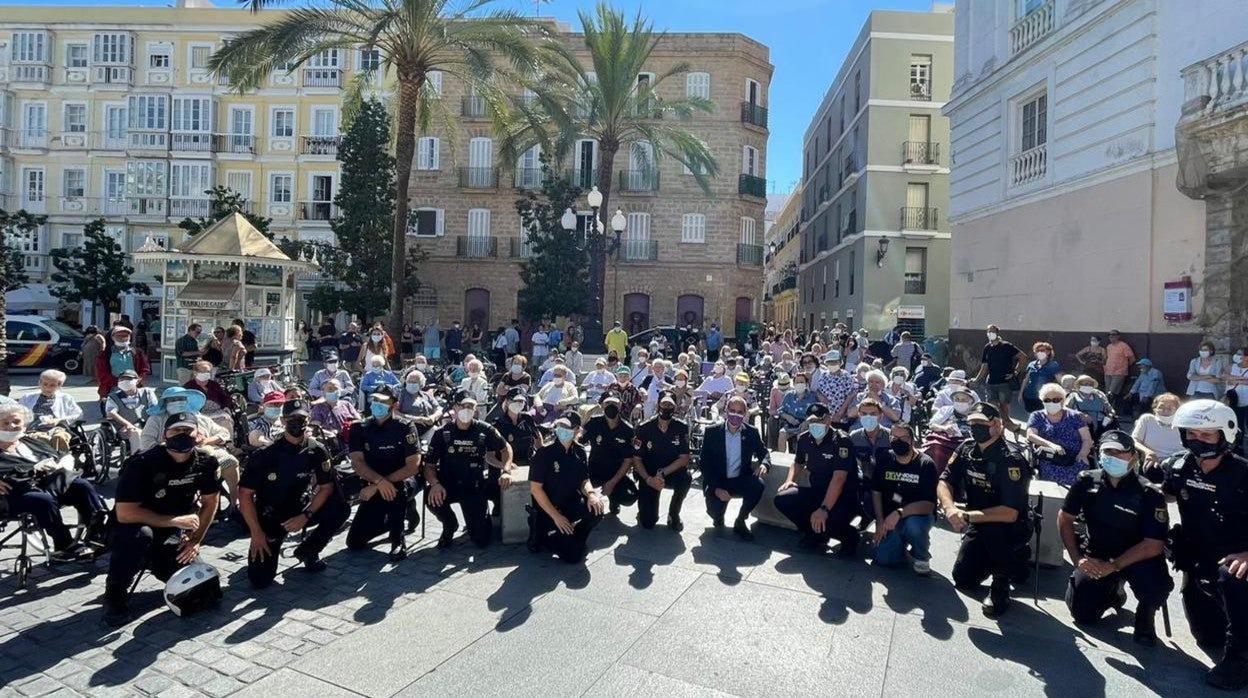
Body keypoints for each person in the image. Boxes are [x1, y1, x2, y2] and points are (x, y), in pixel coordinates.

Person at [1144, 400, 1248, 689]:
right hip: (1197, 554)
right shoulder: (1179, 466)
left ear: (1225, 434)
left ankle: (1240, 659)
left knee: (1234, 577)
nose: (1198, 440)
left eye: (1207, 434)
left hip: (1237, 557)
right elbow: (1165, 494)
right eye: (1192, 434)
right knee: (1207, 636)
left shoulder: (1243, 474)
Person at [102, 413, 223, 627]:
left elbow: (211, 502)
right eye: (176, 431)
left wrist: (195, 540)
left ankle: (159, 561)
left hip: (172, 532)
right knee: (139, 537)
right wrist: (175, 521)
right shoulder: (142, 463)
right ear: (165, 435)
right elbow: (125, 513)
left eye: (188, 431)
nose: (182, 435)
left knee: (199, 588)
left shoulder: (206, 461)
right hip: (132, 530)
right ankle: (115, 594)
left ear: (199, 434)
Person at [1058, 430, 1172, 646]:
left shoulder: (1149, 494)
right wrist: (1077, 559)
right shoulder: (1086, 481)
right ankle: (1113, 591)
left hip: (1138, 557)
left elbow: (1153, 545)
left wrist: (1115, 566)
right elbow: (1064, 518)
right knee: (1083, 615)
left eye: (1119, 453)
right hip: (1097, 552)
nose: (1112, 457)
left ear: (1133, 457)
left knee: (1155, 585)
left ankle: (1145, 615)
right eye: (1106, 451)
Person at [238, 399, 350, 587]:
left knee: (340, 508)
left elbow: (326, 487)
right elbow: (244, 494)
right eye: (292, 418)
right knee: (259, 580)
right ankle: (267, 548)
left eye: (302, 418)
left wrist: (306, 516)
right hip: (271, 516)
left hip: (301, 508)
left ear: (308, 420)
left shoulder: (316, 450)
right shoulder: (265, 455)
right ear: (283, 420)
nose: (297, 423)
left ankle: (309, 549)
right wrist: (256, 533)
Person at [937, 402, 1033, 617]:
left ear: (997, 425)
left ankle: (1001, 584)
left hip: (1008, 526)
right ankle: (1012, 561)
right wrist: (949, 507)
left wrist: (967, 516)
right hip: (977, 521)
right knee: (963, 578)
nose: (975, 428)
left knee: (994, 534)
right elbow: (945, 481)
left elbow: (1010, 512)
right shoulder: (966, 449)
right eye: (972, 423)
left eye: (981, 423)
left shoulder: (1011, 460)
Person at [0, 402, 107, 562]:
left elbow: (58, 456)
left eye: (16, 422)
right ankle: (64, 544)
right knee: (42, 500)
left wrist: (57, 464)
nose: (11, 426)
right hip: (14, 494)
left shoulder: (29, 441)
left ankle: (98, 534)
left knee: (81, 486)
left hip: (47, 484)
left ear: (24, 423)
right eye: (5, 423)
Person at [344, 386, 424, 561]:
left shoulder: (405, 427)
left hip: (402, 480)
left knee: (396, 492)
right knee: (354, 542)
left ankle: (398, 540)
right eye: (376, 400)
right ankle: (394, 519)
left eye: (383, 401)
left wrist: (381, 483)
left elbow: (413, 466)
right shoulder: (360, 427)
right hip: (374, 482)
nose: (377, 404)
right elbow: (357, 462)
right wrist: (378, 483)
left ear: (394, 405)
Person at [425, 390, 513, 549]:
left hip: (474, 486)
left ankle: (477, 521)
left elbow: (506, 448)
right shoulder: (442, 433)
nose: (467, 409)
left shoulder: (485, 429)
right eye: (463, 405)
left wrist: (506, 470)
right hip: (448, 485)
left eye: (471, 406)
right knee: (430, 497)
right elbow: (429, 465)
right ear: (455, 408)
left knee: (482, 540)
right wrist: (434, 484)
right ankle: (449, 524)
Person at [774, 403, 860, 554]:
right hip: (818, 490)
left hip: (843, 496)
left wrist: (823, 509)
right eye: (811, 422)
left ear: (828, 419)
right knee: (783, 499)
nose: (815, 425)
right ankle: (815, 533)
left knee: (831, 519)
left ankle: (849, 536)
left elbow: (839, 478)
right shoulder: (804, 439)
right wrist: (790, 480)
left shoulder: (841, 441)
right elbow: (798, 463)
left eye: (819, 421)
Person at [528, 415, 606, 562]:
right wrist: (556, 517)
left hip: (570, 503)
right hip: (549, 509)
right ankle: (544, 538)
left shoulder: (580, 452)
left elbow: (584, 478)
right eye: (560, 426)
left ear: (576, 430)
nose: (562, 430)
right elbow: (536, 489)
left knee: (597, 509)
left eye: (567, 427)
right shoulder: (544, 453)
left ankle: (575, 537)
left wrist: (591, 494)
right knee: (574, 556)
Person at [699, 396, 770, 540]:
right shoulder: (712, 432)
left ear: (745, 414)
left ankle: (741, 520)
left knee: (758, 485)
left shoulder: (751, 432)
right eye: (732, 411)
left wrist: (764, 464)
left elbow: (764, 453)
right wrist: (716, 488)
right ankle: (718, 515)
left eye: (740, 412)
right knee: (716, 513)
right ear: (726, 411)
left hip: (739, 479)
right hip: (718, 481)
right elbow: (705, 463)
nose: (735, 415)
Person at [871, 422, 938, 573]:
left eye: (904, 438)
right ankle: (900, 544)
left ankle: (921, 555)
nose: (898, 441)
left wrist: (899, 513)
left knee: (914, 525)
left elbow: (928, 505)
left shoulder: (925, 464)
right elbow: (876, 491)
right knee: (883, 559)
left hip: (917, 515)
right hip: (890, 516)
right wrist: (880, 521)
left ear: (912, 440)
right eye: (894, 437)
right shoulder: (884, 458)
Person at [633, 391, 692, 531]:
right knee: (648, 522)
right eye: (664, 404)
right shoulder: (644, 428)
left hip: (670, 471)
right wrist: (648, 479)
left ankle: (674, 515)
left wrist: (663, 472)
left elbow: (684, 458)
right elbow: (637, 459)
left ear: (675, 408)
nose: (666, 408)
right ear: (658, 405)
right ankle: (644, 510)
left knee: (686, 478)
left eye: (670, 405)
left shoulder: (681, 427)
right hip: (649, 474)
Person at [580, 393, 640, 516]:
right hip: (594, 469)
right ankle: (587, 504)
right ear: (602, 405)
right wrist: (582, 422)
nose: (611, 406)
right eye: (607, 403)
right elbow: (579, 441)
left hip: (615, 472)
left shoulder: (627, 429)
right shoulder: (594, 422)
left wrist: (612, 483)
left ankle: (614, 499)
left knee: (630, 496)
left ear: (620, 405)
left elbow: (628, 460)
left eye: (614, 403)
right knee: (576, 485)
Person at [1026, 383, 1093, 486]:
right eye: (1047, 400)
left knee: (1081, 477)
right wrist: (1051, 445)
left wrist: (1083, 454)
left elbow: (1087, 439)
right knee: (1052, 477)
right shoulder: (1037, 416)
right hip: (1050, 458)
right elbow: (1030, 435)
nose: (1052, 402)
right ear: (1042, 401)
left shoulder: (1074, 416)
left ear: (1063, 400)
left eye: (1056, 400)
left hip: (1074, 456)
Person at [973, 325, 1027, 431]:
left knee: (1004, 405)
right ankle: (1008, 424)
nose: (990, 334)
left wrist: (1015, 372)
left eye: (992, 332)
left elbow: (1023, 357)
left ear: (997, 333)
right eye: (988, 332)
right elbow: (984, 366)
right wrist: (977, 378)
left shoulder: (1007, 346)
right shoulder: (987, 348)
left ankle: (1004, 427)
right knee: (992, 404)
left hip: (1004, 382)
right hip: (991, 382)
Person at [19, 369, 83, 453]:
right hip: (34, 429)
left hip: (58, 428)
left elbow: (78, 414)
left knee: (59, 437)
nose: (47, 388)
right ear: (39, 383)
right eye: (44, 384)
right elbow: (18, 414)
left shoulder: (65, 398)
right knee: (43, 438)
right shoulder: (27, 398)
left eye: (52, 385)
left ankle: (62, 460)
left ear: (59, 386)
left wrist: (59, 420)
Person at [104, 369, 158, 453]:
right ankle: (138, 459)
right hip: (124, 427)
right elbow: (111, 413)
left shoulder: (147, 393)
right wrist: (128, 424)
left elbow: (155, 409)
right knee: (135, 433)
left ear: (137, 381)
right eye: (122, 379)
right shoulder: (113, 397)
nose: (125, 381)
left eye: (129, 379)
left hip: (146, 424)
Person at [96, 325, 151, 400]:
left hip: (134, 387)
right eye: (119, 336)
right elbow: (101, 373)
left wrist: (138, 380)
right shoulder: (106, 354)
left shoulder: (137, 352)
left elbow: (145, 369)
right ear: (112, 337)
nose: (123, 338)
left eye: (126, 336)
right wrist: (119, 382)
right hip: (112, 388)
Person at [309, 379, 360, 458]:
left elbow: (358, 421)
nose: (333, 391)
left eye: (336, 388)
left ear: (340, 390)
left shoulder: (347, 405)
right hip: (332, 448)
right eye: (329, 389)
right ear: (323, 392)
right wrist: (330, 433)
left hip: (351, 446)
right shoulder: (318, 408)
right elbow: (315, 428)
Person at [493, 387, 542, 468]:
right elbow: (490, 455)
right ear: (508, 401)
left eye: (522, 401)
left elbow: (537, 436)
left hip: (527, 465)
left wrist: (540, 455)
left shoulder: (527, 419)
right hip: (506, 468)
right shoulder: (498, 423)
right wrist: (504, 466)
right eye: (515, 401)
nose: (519, 403)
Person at [1131, 393, 1183, 466]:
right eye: (1161, 407)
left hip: (1174, 464)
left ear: (1177, 410)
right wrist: (1148, 452)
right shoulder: (1147, 419)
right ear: (1155, 408)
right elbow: (1134, 441)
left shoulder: (1182, 425)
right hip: (1149, 462)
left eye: (1170, 408)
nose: (1165, 410)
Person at [1064, 375, 1117, 441]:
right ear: (1079, 385)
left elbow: (1111, 410)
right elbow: (1064, 409)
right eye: (1085, 384)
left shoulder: (1099, 395)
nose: (1088, 386)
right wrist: (1079, 414)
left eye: (1090, 384)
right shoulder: (1073, 396)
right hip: (1082, 425)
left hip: (1102, 424)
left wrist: (1110, 416)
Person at [185, 361, 233, 429]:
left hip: (218, 414)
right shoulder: (188, 387)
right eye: (202, 372)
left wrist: (226, 407)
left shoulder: (214, 385)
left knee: (226, 422)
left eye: (207, 372)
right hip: (199, 417)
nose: (205, 374)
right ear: (195, 373)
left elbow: (225, 398)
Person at [777, 373, 816, 453]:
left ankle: (799, 461)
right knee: (782, 433)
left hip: (805, 424)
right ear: (794, 384)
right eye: (797, 382)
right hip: (791, 423)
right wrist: (788, 417)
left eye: (802, 382)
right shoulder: (789, 395)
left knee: (801, 436)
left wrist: (807, 422)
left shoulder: (812, 397)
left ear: (806, 384)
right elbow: (781, 410)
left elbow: (815, 414)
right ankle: (781, 460)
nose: (799, 384)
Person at [398, 369, 442, 440]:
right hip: (408, 429)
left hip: (428, 428)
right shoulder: (401, 395)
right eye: (409, 381)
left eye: (415, 382)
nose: (411, 384)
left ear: (421, 384)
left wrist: (433, 417)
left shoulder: (426, 395)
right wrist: (416, 419)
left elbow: (439, 409)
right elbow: (395, 413)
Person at [1018, 342, 1061, 413]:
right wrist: (1020, 394)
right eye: (1037, 351)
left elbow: (1060, 379)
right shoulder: (1031, 364)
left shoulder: (1053, 365)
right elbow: (1026, 379)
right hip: (1029, 397)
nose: (1040, 352)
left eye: (1042, 350)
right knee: (1032, 418)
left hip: (1044, 398)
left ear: (1048, 352)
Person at [1103, 329, 1137, 412]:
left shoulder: (1124, 346)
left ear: (1118, 336)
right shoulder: (1109, 346)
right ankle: (1108, 410)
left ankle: (1111, 411)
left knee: (1112, 392)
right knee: (1107, 392)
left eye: (1114, 336)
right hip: (1108, 372)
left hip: (1119, 372)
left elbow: (1132, 358)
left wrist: (1124, 366)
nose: (1112, 338)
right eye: (1110, 336)